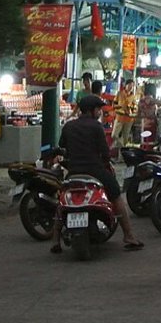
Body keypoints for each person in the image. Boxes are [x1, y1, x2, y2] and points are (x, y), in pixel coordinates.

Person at [53, 94, 143, 253]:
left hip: (73, 172)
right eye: (99, 109)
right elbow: (105, 153)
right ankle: (128, 235)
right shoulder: (96, 127)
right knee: (116, 196)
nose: (100, 112)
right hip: (95, 171)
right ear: (92, 111)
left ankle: (55, 240)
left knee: (62, 201)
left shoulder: (69, 126)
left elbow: (62, 146)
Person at [111, 78, 137, 154]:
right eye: (129, 85)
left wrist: (131, 110)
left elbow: (135, 107)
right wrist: (121, 109)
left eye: (132, 86)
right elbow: (114, 104)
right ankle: (121, 146)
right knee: (114, 135)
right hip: (120, 117)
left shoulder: (133, 96)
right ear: (125, 85)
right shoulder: (120, 93)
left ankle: (121, 157)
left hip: (129, 119)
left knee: (125, 138)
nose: (131, 87)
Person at [136, 83, 160, 149]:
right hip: (152, 123)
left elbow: (138, 113)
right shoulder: (152, 100)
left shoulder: (141, 100)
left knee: (144, 140)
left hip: (144, 123)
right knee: (151, 141)